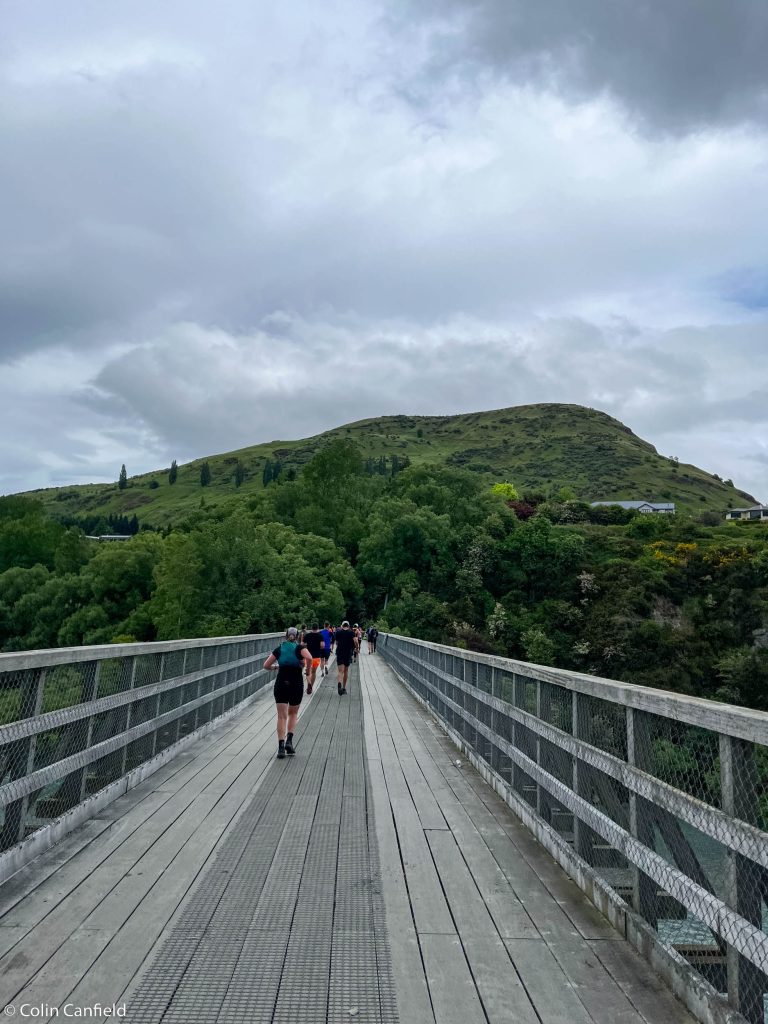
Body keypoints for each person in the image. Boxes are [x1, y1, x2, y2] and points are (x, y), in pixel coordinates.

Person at [263, 627, 312, 758]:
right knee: (293, 713)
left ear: (285, 636)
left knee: (281, 716)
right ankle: (289, 741)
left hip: (281, 682)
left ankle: (280, 747)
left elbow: (266, 665)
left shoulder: (279, 649)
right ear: (296, 636)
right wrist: (307, 670)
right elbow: (310, 657)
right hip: (296, 682)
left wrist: (276, 667)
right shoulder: (299, 648)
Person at [334, 620, 355, 695]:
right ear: (348, 626)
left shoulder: (338, 632)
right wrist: (356, 648)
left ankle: (339, 685)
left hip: (340, 653)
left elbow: (336, 642)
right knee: (346, 671)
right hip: (348, 653)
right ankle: (343, 688)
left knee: (340, 671)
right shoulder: (351, 633)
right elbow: (355, 641)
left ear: (342, 626)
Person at [303, 623, 324, 694]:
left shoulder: (307, 635)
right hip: (316, 657)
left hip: (308, 657)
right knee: (314, 672)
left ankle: (308, 684)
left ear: (311, 628)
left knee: (308, 671)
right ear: (317, 628)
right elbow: (322, 646)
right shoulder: (320, 636)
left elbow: (302, 645)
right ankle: (311, 687)